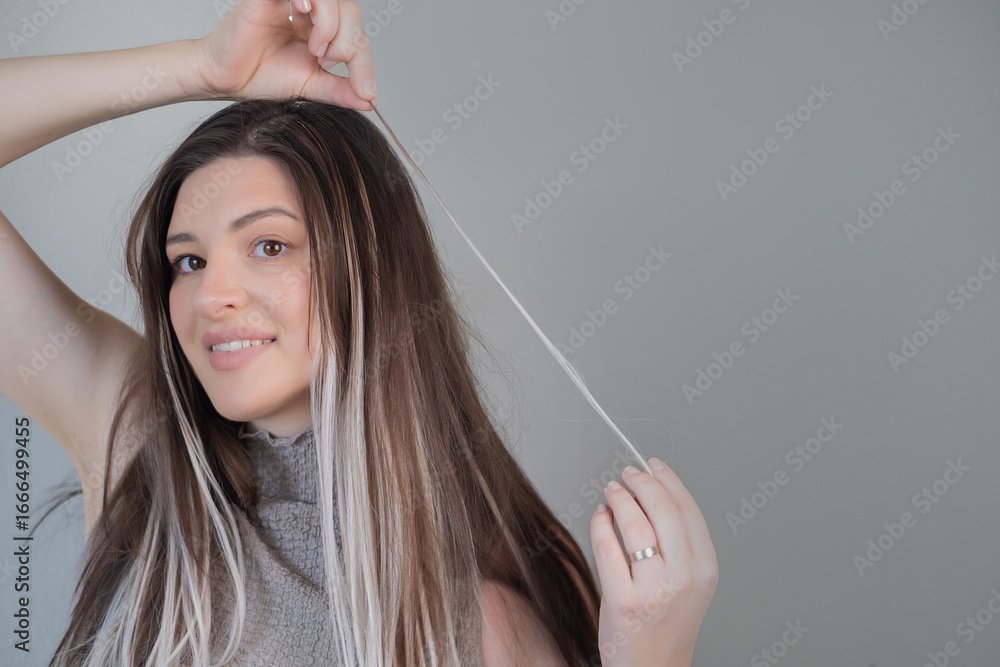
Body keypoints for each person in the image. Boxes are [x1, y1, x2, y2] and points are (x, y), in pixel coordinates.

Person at [0, 0, 719, 665]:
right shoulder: (137, 442)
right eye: (188, 259)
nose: (209, 294)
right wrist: (204, 67)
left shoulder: (484, 613)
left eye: (270, 246)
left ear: (370, 267)